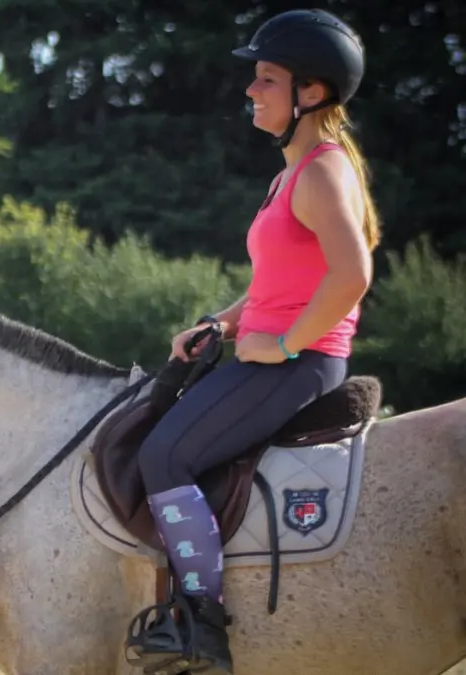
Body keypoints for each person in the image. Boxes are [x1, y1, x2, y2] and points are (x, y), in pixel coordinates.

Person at [124, 9, 379, 675]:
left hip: (300, 363)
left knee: (164, 455)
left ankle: (200, 622)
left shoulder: (322, 173)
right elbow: (281, 277)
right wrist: (226, 321)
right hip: (269, 347)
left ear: (311, 93)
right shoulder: (292, 175)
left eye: (266, 79)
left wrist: (286, 344)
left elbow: (353, 275)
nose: (251, 90)